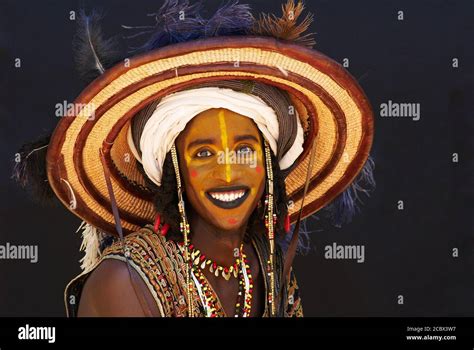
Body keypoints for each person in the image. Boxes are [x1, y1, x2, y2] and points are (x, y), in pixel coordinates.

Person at [13, 0, 374, 317]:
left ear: (269, 164)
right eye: (204, 153)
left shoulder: (266, 268)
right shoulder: (125, 281)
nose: (228, 171)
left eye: (245, 149)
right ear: (175, 171)